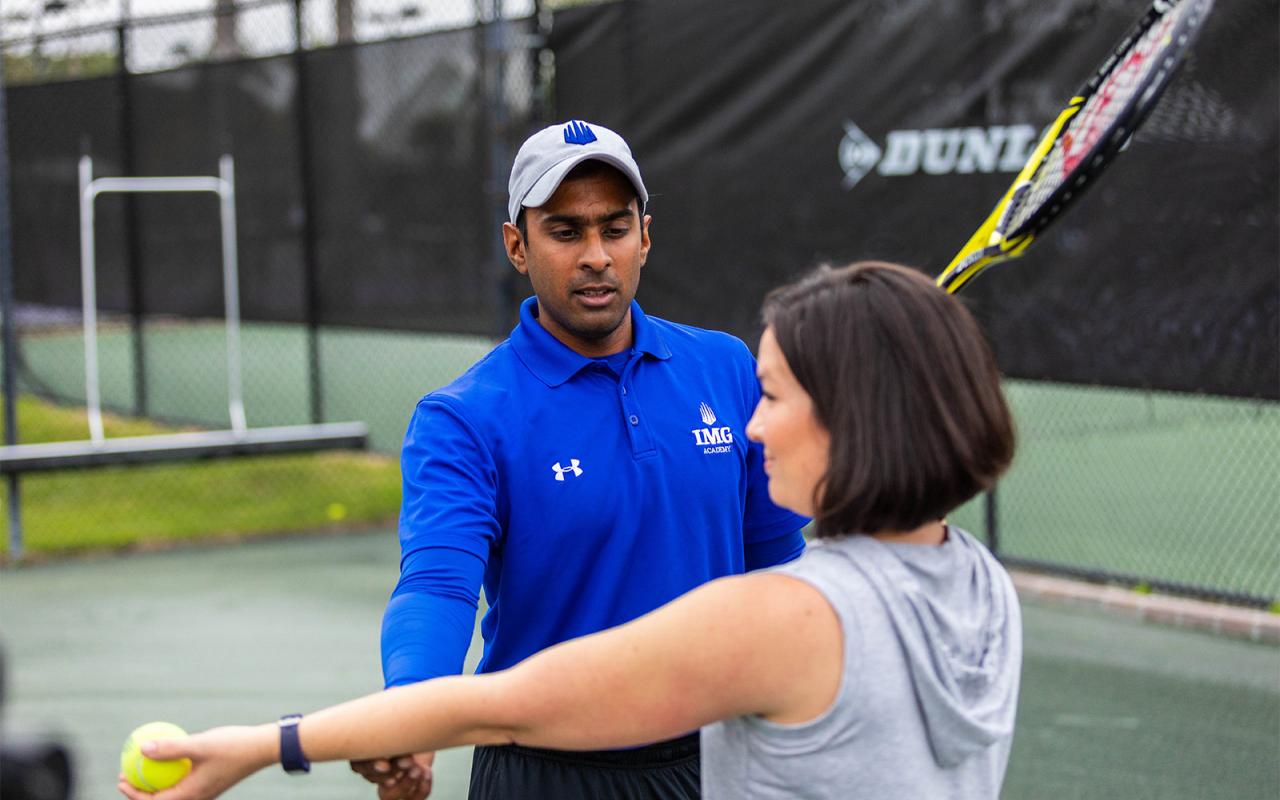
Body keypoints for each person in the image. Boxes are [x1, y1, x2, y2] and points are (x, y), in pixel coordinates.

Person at [116, 261, 1023, 800]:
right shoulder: (980, 583)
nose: (751, 424)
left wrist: (258, 747)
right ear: (518, 244)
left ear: (845, 417)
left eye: (775, 396)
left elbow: (512, 702)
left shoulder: (790, 619)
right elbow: (438, 588)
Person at [352, 120, 808, 800]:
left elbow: (775, 555)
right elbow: (439, 586)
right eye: (566, 232)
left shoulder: (726, 368)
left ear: (644, 237)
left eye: (614, 229)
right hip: (543, 771)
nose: (596, 255)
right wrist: (414, 706)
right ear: (517, 245)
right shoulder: (463, 417)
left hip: (721, 760)